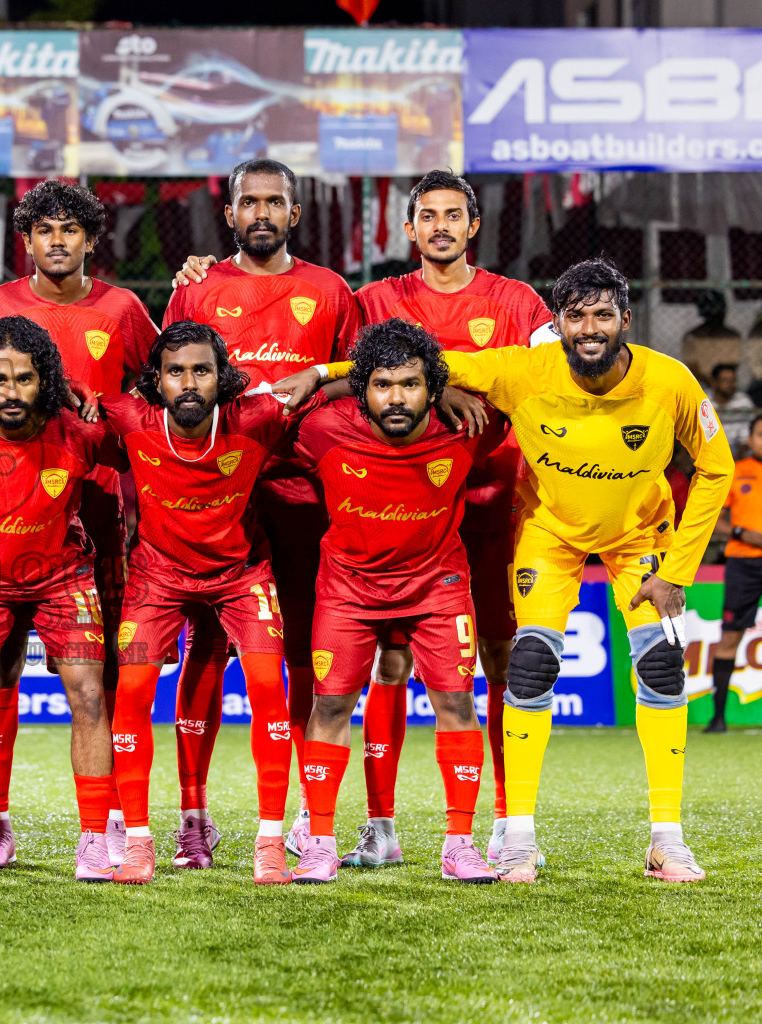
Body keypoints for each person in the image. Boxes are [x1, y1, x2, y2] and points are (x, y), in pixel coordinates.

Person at [276, 257, 735, 883]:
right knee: (530, 663)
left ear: (626, 319)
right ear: (558, 323)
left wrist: (679, 570)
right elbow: (425, 361)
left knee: (659, 664)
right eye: (576, 316)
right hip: (548, 531)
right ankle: (515, 836)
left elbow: (718, 469)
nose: (590, 328)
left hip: (639, 538)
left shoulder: (672, 381)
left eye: (604, 315)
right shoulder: (523, 369)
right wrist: (325, 373)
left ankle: (667, 839)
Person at [344, 170, 556, 868]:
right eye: (427, 215)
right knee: (390, 660)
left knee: (499, 660)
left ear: (472, 227)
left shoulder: (517, 302)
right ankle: (380, 827)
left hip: (494, 505)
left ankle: (504, 820)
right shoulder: (374, 301)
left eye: (453, 215)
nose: (440, 226)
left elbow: (552, 382)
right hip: (399, 509)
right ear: (410, 229)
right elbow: (344, 380)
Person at [0, 179, 158, 869]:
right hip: (6, 521)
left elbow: (154, 395)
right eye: (45, 229)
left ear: (92, 239)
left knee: (95, 678)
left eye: (72, 228)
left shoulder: (124, 309)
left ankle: (110, 825)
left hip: (97, 512)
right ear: (27, 239)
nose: (59, 240)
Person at [165, 158, 359, 867]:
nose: (262, 213)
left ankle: (310, 810)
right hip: (215, 497)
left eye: (275, 202)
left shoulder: (330, 291)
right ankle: (194, 815)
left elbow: (356, 386)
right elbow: (167, 389)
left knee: (311, 645)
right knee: (206, 647)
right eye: (250, 201)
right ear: (230, 212)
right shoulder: (197, 290)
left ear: (295, 214)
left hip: (305, 494)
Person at [102, 320, 331, 885]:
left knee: (267, 689)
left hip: (239, 573)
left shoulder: (255, 417)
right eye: (175, 372)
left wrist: (327, 372)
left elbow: (330, 393)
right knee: (130, 692)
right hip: (158, 574)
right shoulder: (131, 419)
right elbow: (64, 400)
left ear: (220, 377)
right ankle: (138, 843)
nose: (188, 383)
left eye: (201, 371)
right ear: (155, 381)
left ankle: (271, 842)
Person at [283, 319, 505, 884]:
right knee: (329, 708)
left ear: (433, 387)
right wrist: (329, 380)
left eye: (411, 384)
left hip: (437, 585)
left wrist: (455, 388)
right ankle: (320, 844)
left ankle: (460, 844)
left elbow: (518, 390)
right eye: (382, 385)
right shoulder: (324, 429)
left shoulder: (469, 425)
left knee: (456, 704)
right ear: (363, 391)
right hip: (348, 588)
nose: (397, 397)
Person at [0, 315, 117, 884]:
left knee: (88, 693)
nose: (12, 392)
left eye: (26, 379)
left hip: (63, 574)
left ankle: (92, 841)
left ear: (47, 380)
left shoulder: (81, 431)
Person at [708, 413, 762, 733]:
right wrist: (742, 532)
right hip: (743, 563)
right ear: (750, 438)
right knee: (729, 638)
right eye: (760, 434)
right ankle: (718, 718)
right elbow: (715, 521)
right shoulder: (736, 472)